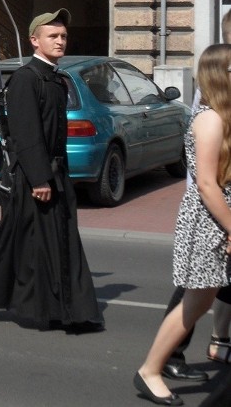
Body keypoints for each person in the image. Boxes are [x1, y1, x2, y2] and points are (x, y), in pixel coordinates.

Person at [0, 8, 104, 332]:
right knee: (15, 236)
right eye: (53, 36)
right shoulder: (25, 79)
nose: (60, 41)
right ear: (35, 40)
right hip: (35, 177)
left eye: (63, 36)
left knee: (56, 239)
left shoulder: (58, 80)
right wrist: (39, 178)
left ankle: (62, 307)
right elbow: (26, 133)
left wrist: (58, 175)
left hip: (56, 175)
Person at [134, 43, 231, 406]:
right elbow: (207, 183)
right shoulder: (210, 119)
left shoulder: (223, 115)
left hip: (218, 215)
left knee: (199, 301)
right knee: (194, 302)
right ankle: (150, 370)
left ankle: (154, 368)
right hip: (209, 219)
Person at [161, 8, 231, 383]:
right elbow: (204, 168)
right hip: (215, 201)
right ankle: (167, 354)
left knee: (212, 284)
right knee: (197, 286)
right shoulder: (215, 87)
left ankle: (218, 341)